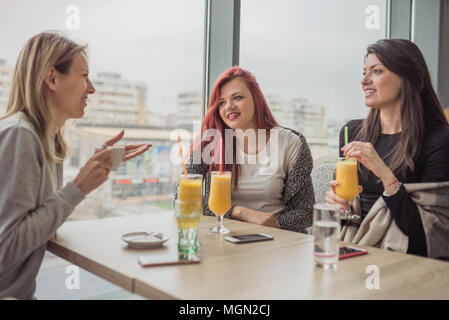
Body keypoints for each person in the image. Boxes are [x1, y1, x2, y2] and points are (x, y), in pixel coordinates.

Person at [0, 32, 151, 299]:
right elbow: (6, 249)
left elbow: (40, 222)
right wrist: (79, 187)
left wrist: (93, 168)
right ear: (52, 78)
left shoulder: (49, 140)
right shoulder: (19, 135)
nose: (91, 88)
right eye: (84, 76)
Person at [326, 39, 449, 257]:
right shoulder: (351, 132)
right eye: (364, 72)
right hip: (354, 248)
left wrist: (385, 175)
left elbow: (430, 237)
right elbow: (346, 219)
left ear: (409, 77)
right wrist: (338, 207)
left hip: (406, 259)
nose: (364, 81)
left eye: (377, 71)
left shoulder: (439, 140)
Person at [177, 66, 314, 233]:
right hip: (227, 237)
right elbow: (182, 195)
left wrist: (271, 224)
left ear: (257, 99)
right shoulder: (212, 141)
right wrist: (241, 213)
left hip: (277, 240)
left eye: (237, 97)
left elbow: (306, 212)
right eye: (221, 103)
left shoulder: (291, 143)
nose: (228, 107)